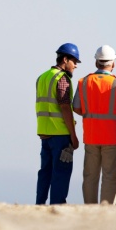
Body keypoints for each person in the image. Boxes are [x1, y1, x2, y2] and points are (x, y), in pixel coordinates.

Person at [73, 45, 116, 204]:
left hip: (91, 136)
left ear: (96, 62)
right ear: (113, 64)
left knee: (90, 176)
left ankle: (90, 208)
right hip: (112, 137)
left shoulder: (83, 82)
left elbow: (76, 107)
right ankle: (106, 209)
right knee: (110, 176)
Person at [35, 43, 81, 204]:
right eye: (74, 61)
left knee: (45, 173)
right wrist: (74, 136)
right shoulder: (62, 79)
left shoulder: (42, 77)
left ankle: (39, 205)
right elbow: (64, 108)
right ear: (65, 59)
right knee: (61, 173)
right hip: (60, 135)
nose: (75, 65)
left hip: (44, 134)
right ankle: (57, 205)